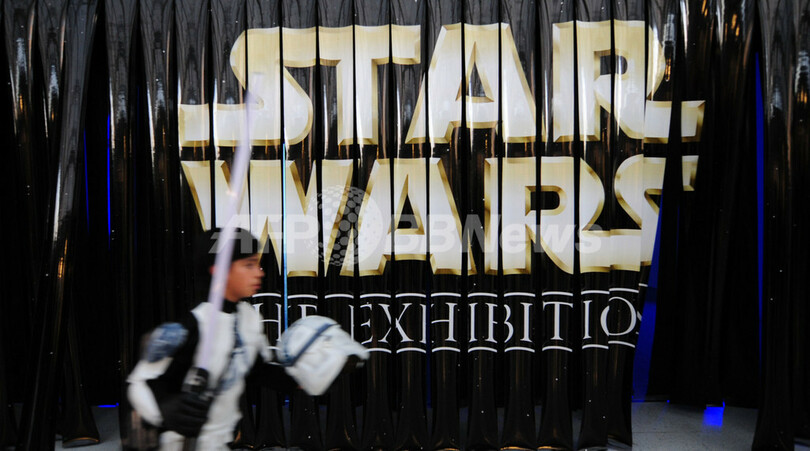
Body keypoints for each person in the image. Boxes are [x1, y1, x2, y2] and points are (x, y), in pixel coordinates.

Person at [127, 227, 295, 449]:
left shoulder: (248, 319)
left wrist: (300, 379)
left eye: (258, 264)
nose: (259, 273)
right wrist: (167, 410)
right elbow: (139, 384)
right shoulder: (190, 328)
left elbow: (256, 370)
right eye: (249, 265)